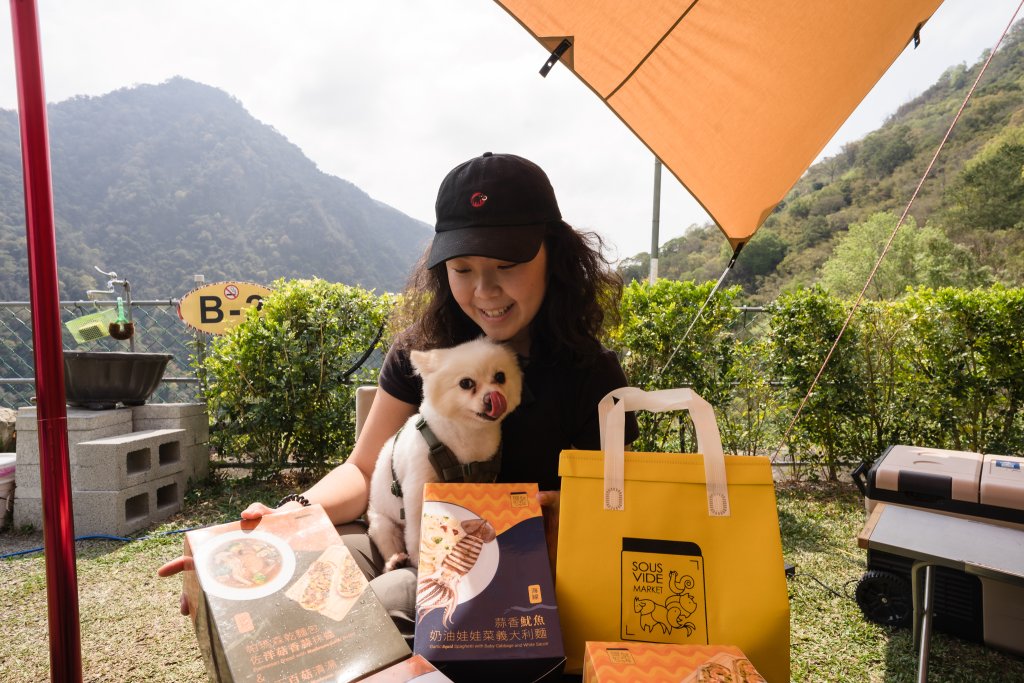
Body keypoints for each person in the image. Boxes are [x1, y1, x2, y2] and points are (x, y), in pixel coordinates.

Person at [159, 152, 638, 633]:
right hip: (407, 542)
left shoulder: (590, 375)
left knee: (389, 599)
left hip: (525, 573)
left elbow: (611, 510)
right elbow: (364, 470)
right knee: (305, 573)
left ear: (553, 254)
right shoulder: (423, 355)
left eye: (506, 264)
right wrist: (281, 527)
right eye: (463, 269)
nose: (485, 290)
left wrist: (540, 509)